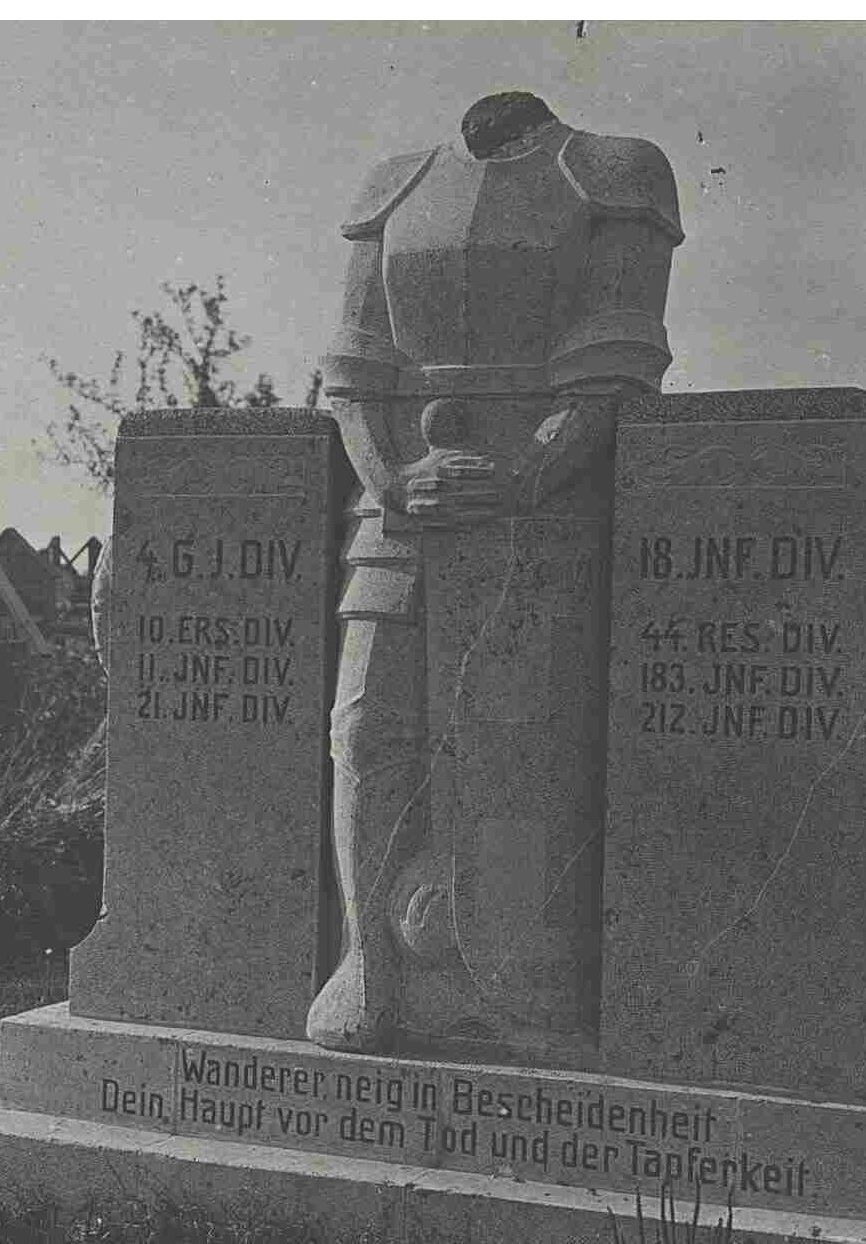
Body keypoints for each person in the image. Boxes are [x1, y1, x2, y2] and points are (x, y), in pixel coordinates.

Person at [310, 91, 685, 1053]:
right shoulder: (396, 184)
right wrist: (395, 481)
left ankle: (516, 982)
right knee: (365, 728)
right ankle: (370, 962)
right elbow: (355, 368)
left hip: (543, 508)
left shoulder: (612, 168)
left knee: (517, 740)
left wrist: (523, 473)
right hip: (398, 512)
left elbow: (613, 358)